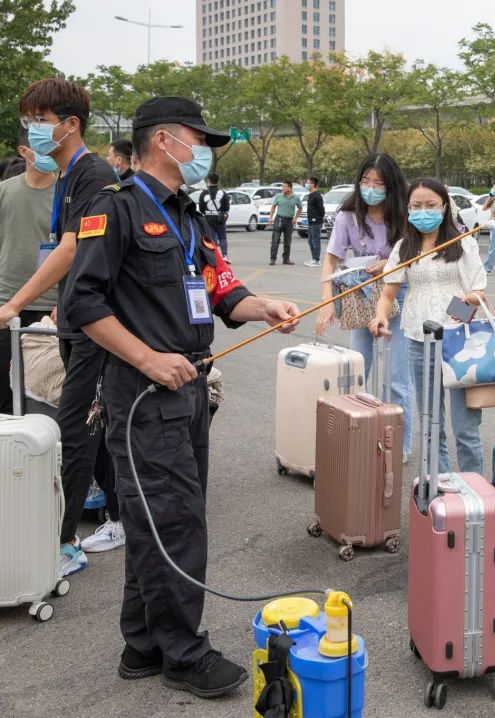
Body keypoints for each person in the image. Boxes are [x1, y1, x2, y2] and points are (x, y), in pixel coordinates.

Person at [64, 96, 301, 698]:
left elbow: (222, 291)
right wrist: (146, 358)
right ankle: (182, 651)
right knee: (173, 519)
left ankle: (142, 643)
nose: (204, 153)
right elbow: (83, 303)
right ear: (164, 141)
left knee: (159, 517)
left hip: (190, 387)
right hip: (144, 392)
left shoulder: (187, 216)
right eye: (199, 141)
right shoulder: (113, 209)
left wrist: (264, 306)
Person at [1, 78, 121, 575]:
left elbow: (73, 247)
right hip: (72, 317)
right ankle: (117, 509)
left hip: (94, 322)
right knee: (93, 419)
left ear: (71, 124)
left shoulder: (91, 173)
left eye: (42, 120)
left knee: (74, 424)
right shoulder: (70, 175)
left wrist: (16, 304)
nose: (33, 128)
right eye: (29, 119)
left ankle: (65, 540)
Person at [370, 178, 487, 473]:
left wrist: (462, 300)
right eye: (417, 206)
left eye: (431, 205)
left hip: (460, 342)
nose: (424, 212)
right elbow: (388, 293)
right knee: (431, 426)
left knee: (466, 431)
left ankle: (474, 491)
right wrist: (381, 315)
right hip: (418, 341)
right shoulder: (403, 248)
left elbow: (479, 293)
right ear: (408, 210)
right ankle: (443, 491)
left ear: (444, 207)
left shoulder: (463, 243)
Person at [315, 153, 414, 458]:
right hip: (360, 295)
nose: (370, 187)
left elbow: (416, 257)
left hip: (397, 293)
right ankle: (356, 437)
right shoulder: (348, 216)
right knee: (358, 372)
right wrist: (327, 302)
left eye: (379, 182)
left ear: (391, 186)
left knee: (398, 378)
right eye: (366, 181)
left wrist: (389, 262)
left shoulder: (404, 215)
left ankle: (400, 445)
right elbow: (330, 258)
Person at [0, 126, 58, 415]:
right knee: (4, 393)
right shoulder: (5, 192)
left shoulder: (67, 193)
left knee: (45, 391)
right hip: (6, 304)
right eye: (43, 147)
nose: (51, 153)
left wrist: (66, 300)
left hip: (51, 308)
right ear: (25, 152)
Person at [198, 172, 230, 262]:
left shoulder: (204, 193)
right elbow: (227, 207)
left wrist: (207, 212)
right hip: (220, 219)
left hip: (208, 219)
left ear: (208, 181)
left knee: (211, 239)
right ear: (218, 181)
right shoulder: (223, 193)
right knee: (222, 237)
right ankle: (225, 256)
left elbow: (201, 208)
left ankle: (213, 257)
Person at [268, 180, 302, 265]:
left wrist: (295, 218)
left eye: (284, 187)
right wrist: (270, 218)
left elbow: (300, 208)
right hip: (279, 219)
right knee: (275, 240)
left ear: (290, 188)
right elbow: (273, 207)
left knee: (287, 241)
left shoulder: (296, 198)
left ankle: (286, 259)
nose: (282, 188)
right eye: (282, 187)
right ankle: (273, 258)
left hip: (289, 220)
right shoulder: (279, 196)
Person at [304, 176, 325, 267]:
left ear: (313, 184)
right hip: (310, 221)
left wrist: (318, 218)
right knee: (310, 241)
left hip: (316, 221)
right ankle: (313, 258)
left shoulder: (317, 195)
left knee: (315, 240)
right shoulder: (310, 195)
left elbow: (321, 209)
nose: (307, 184)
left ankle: (317, 260)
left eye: (308, 183)